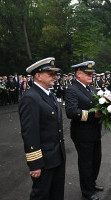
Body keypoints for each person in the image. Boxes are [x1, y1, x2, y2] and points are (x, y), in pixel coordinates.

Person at [19, 57, 66, 200]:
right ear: (38, 76)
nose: (55, 76)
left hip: (57, 156)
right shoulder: (30, 98)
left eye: (55, 73)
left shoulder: (49, 94)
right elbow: (30, 133)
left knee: (57, 194)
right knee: (42, 195)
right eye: (50, 74)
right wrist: (34, 164)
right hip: (44, 161)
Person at [65, 61, 103, 200]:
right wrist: (93, 114)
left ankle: (91, 184)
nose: (91, 75)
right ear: (78, 74)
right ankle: (86, 191)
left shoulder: (91, 88)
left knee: (96, 160)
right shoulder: (72, 90)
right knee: (86, 163)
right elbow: (71, 112)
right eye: (88, 73)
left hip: (95, 132)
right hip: (82, 133)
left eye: (91, 73)